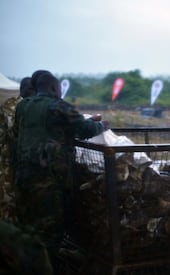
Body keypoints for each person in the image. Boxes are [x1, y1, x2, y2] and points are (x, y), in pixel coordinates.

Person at [13, 71, 107, 272]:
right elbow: (85, 129)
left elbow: (35, 132)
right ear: (55, 87)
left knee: (28, 226)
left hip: (22, 176)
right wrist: (101, 125)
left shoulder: (22, 107)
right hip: (48, 181)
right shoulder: (57, 105)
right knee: (50, 233)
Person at [0, 77, 36, 220]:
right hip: (4, 161)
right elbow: (14, 130)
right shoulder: (13, 105)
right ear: (29, 90)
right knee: (7, 198)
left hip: (11, 159)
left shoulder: (22, 105)